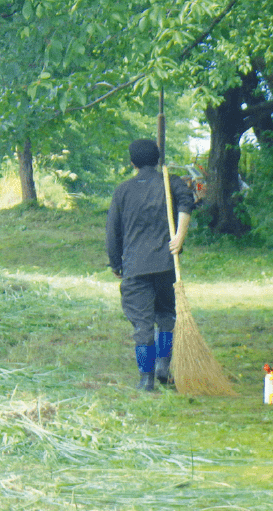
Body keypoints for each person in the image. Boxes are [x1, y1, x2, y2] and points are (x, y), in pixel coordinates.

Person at [106, 139, 194, 391]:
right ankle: (163, 366)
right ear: (157, 160)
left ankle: (146, 379)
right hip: (166, 264)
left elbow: (113, 232)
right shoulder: (170, 183)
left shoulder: (123, 191)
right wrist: (180, 236)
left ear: (131, 162)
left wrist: (115, 263)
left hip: (135, 267)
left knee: (142, 324)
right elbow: (187, 201)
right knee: (166, 316)